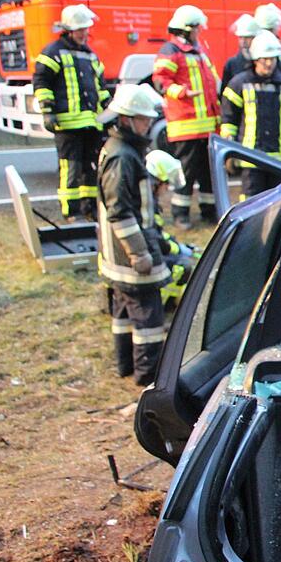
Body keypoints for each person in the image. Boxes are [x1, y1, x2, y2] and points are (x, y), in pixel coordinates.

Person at [96, 84, 171, 387]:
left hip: (116, 255)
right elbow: (121, 213)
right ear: (126, 119)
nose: (148, 124)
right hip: (130, 256)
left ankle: (125, 365)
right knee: (148, 320)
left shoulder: (120, 149)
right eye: (142, 119)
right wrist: (140, 253)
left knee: (123, 313)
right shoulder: (123, 157)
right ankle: (148, 377)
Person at [33, 4, 110, 221]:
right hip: (67, 125)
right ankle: (71, 211)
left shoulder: (90, 56)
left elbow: (101, 88)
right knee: (71, 168)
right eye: (81, 29)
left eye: (86, 29)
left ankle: (90, 209)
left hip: (91, 123)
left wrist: (108, 113)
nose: (85, 33)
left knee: (90, 168)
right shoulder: (53, 52)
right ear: (68, 30)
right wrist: (47, 111)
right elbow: (41, 82)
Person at [152, 4, 220, 229]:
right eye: (196, 29)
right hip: (185, 126)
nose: (199, 33)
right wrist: (182, 93)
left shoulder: (197, 51)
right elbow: (160, 80)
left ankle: (209, 212)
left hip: (206, 127)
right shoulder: (171, 51)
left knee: (208, 173)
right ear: (186, 29)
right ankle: (180, 214)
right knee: (186, 173)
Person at [220, 30, 281, 197]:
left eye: (272, 59)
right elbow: (228, 120)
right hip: (251, 158)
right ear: (255, 60)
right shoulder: (239, 84)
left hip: (279, 159)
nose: (269, 63)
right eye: (265, 59)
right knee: (251, 203)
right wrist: (229, 150)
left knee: (276, 204)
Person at [144, 149, 200, 310]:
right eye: (166, 183)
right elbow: (157, 241)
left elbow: (157, 233)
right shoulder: (149, 204)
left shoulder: (147, 197)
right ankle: (163, 305)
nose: (167, 187)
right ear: (157, 182)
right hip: (146, 261)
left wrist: (176, 243)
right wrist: (177, 250)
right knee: (183, 267)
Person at [221, 14, 261, 88]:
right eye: (240, 38)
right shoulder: (231, 64)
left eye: (247, 37)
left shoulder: (263, 63)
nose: (243, 42)